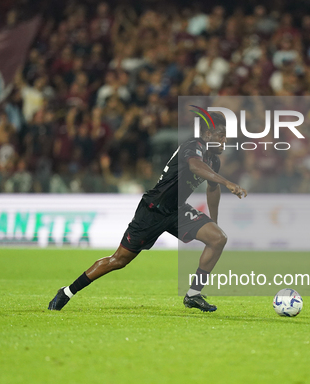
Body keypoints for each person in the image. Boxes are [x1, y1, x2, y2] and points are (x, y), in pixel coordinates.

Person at [48, 112, 247, 312]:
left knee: (218, 238)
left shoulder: (214, 161)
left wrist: (214, 220)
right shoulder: (193, 146)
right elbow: (195, 167)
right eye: (221, 135)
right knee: (119, 260)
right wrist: (227, 181)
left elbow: (213, 188)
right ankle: (67, 292)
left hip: (177, 210)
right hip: (153, 209)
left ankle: (193, 294)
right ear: (207, 134)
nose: (225, 140)